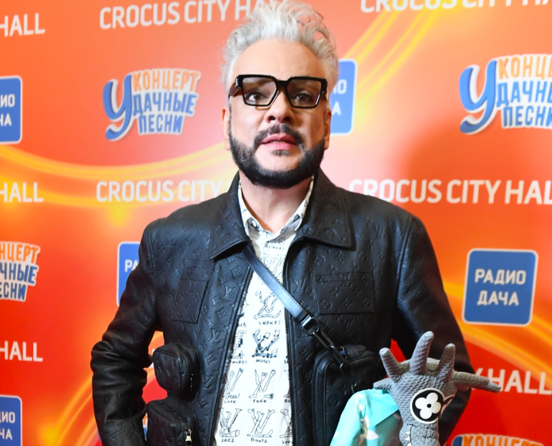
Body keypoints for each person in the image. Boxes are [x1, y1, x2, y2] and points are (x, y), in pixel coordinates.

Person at [91, 2, 473, 445]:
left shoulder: (391, 238)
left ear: (326, 122)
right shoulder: (171, 240)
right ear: (227, 120)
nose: (280, 111)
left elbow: (447, 378)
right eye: (256, 93)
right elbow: (115, 358)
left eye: (303, 94)